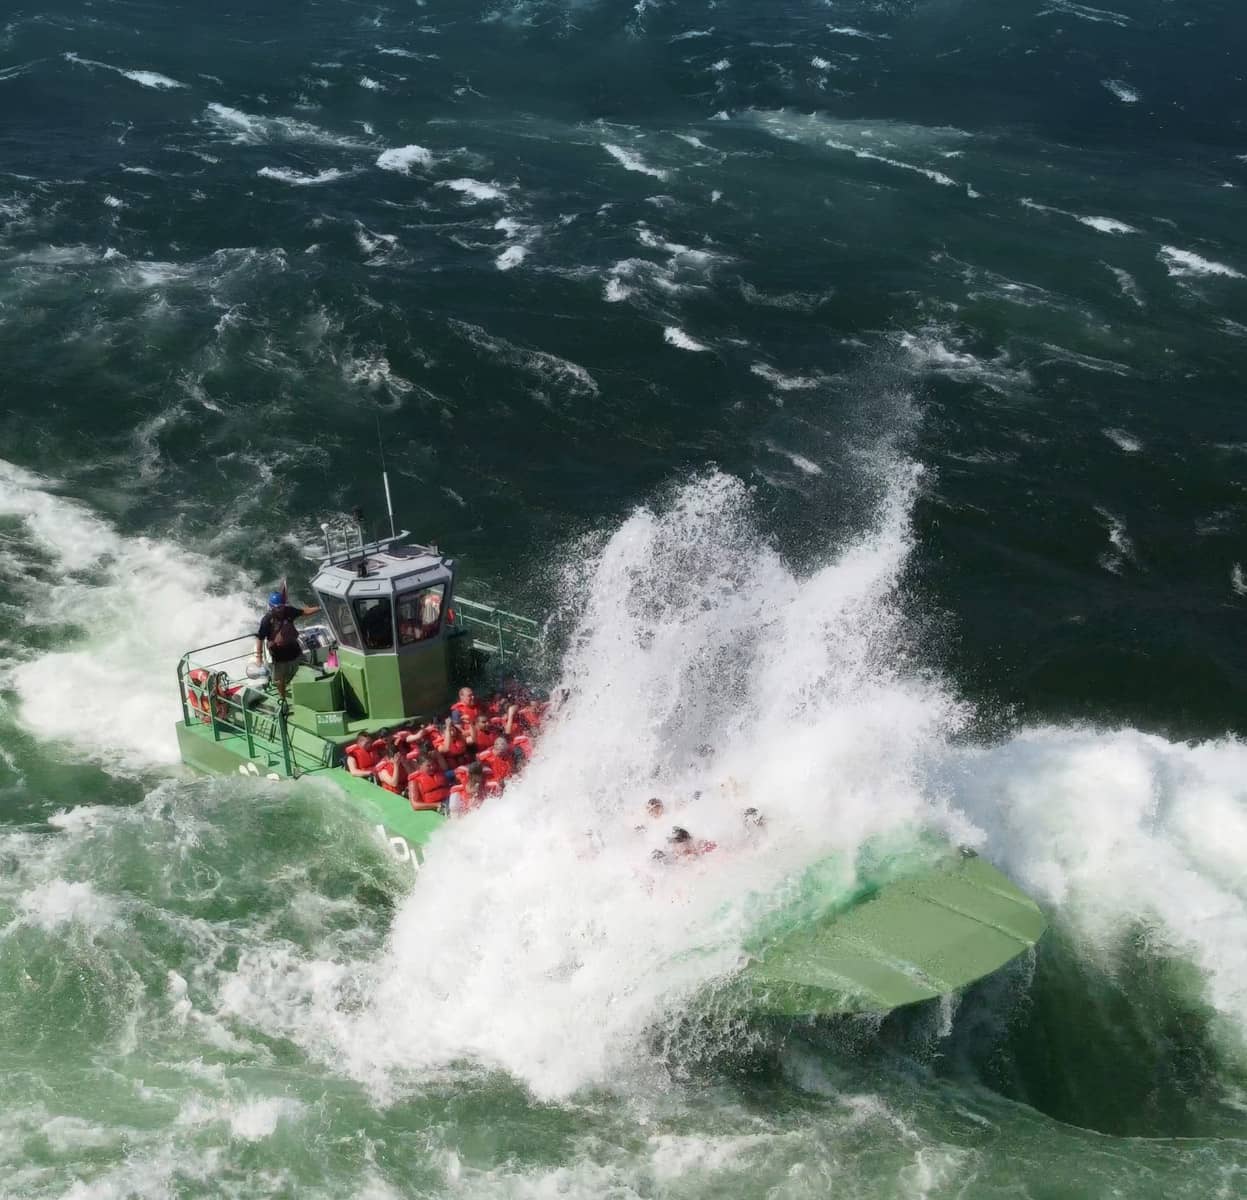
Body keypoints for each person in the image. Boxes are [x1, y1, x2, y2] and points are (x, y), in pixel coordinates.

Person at [255, 590, 319, 705]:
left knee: (306, 669)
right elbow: (260, 638)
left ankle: (309, 692)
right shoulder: (267, 620)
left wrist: (319, 608)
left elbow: (304, 612)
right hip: (279, 656)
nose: (280, 609)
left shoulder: (289, 611)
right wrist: (259, 657)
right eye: (277, 607)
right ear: (271, 607)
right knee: (279, 679)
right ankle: (283, 700)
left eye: (281, 606)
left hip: (295, 651)